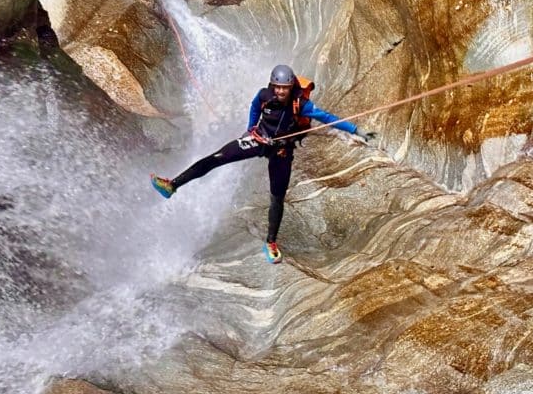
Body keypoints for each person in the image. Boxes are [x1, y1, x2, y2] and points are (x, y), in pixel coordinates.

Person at [150, 64, 379, 264]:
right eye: (277, 87)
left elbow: (328, 118)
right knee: (216, 158)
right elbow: (254, 108)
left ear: (291, 88)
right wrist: (251, 129)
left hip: (281, 150)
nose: (280, 91)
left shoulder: (301, 105)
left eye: (285, 88)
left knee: (277, 198)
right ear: (272, 85)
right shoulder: (264, 96)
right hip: (258, 140)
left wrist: (356, 131)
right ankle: (172, 185)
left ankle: (271, 243)